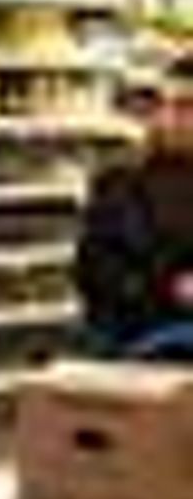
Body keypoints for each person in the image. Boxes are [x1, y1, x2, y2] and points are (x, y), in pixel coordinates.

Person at [76, 56, 193, 360]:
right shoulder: (119, 182)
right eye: (162, 105)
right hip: (143, 341)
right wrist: (171, 289)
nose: (168, 119)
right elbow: (96, 273)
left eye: (185, 107)